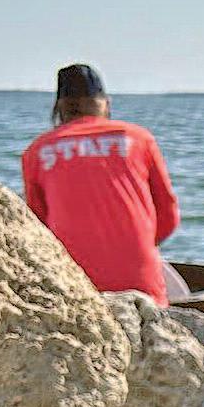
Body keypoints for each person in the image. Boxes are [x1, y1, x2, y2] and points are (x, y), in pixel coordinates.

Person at [22, 64, 180, 305]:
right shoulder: (138, 138)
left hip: (72, 284)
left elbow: (37, 226)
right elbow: (168, 213)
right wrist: (136, 245)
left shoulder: (37, 150)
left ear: (59, 107)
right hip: (140, 282)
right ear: (105, 103)